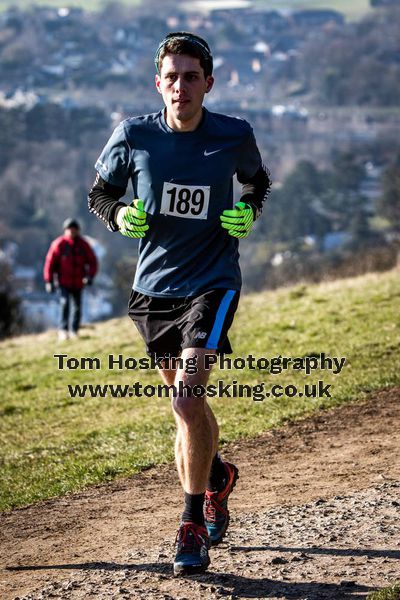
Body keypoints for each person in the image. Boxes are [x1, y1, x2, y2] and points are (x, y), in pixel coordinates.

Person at [88, 32, 271, 576]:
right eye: (172, 76)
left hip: (213, 280)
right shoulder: (133, 136)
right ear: (158, 83)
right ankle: (217, 476)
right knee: (185, 407)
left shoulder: (233, 135)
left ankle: (192, 522)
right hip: (153, 290)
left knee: (186, 403)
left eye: (191, 76)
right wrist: (118, 217)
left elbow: (257, 183)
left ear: (207, 83)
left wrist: (249, 211)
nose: (181, 85)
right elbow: (99, 194)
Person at [44, 218, 98, 341]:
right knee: (65, 304)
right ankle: (63, 330)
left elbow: (93, 261)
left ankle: (74, 331)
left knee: (78, 306)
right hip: (63, 282)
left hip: (79, 282)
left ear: (78, 230)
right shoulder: (59, 244)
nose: (72, 232)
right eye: (70, 230)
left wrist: (90, 276)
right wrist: (49, 281)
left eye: (74, 230)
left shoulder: (83, 245)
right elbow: (50, 264)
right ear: (65, 230)